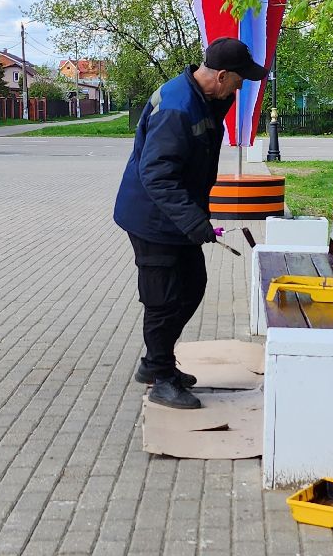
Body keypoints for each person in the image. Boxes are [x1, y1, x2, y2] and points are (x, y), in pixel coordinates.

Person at [113, 37, 267, 410]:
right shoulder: (178, 108)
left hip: (172, 216)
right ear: (222, 75)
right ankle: (161, 375)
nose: (241, 87)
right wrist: (194, 221)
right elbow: (157, 176)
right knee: (163, 299)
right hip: (152, 218)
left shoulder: (201, 97)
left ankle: (156, 362)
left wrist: (192, 219)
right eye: (239, 80)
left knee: (193, 283)